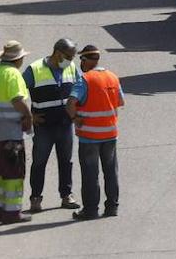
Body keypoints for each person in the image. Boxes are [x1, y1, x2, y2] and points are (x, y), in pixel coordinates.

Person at [22, 37, 82, 213]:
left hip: (65, 124)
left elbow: (80, 88)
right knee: (39, 162)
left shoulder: (71, 67)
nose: (71, 60)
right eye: (69, 56)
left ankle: (66, 195)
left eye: (72, 57)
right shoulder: (35, 69)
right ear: (57, 53)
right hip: (44, 126)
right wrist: (29, 115)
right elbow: (17, 91)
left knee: (66, 161)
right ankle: (35, 198)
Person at [67, 44, 125, 220]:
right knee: (111, 171)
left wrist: (75, 118)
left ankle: (91, 210)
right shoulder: (112, 77)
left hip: (89, 136)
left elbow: (70, 103)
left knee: (90, 174)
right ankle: (112, 207)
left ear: (85, 60)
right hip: (110, 134)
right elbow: (120, 101)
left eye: (81, 60)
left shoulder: (84, 79)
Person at [0, 40, 34, 224]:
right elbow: (17, 100)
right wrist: (28, 117)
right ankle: (12, 213)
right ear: (18, 59)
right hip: (11, 132)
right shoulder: (13, 75)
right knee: (14, 171)